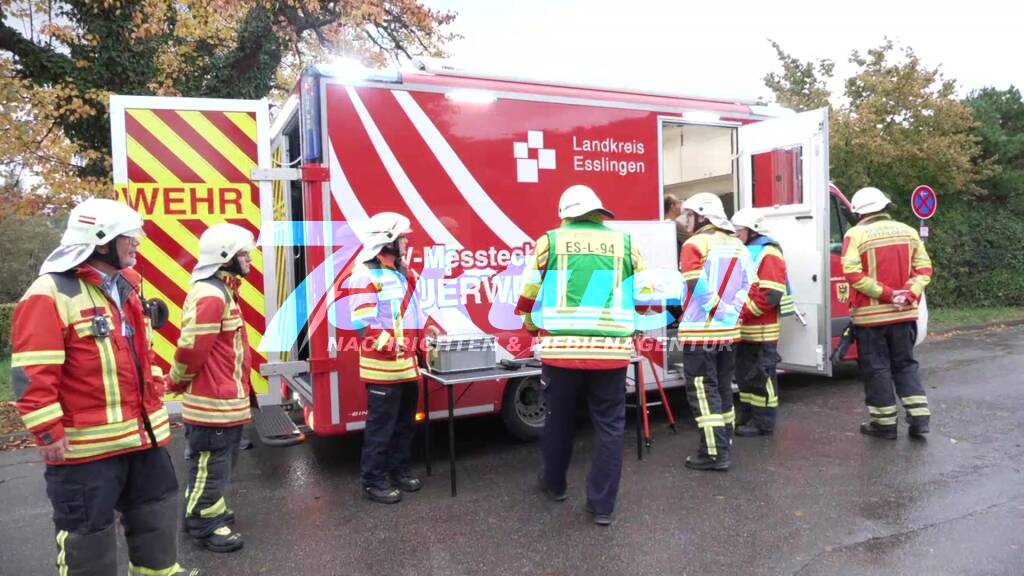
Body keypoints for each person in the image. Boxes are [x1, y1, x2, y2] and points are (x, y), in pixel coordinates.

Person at [11, 198, 199, 576]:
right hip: (87, 450)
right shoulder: (50, 293)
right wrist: (48, 432)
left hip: (143, 439)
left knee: (156, 517)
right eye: (130, 236)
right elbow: (33, 372)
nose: (138, 243)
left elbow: (138, 354)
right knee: (88, 539)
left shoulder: (128, 286)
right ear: (101, 242)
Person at [515, 184, 649, 526]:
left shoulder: (551, 241)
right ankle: (602, 507)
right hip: (611, 352)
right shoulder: (627, 243)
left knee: (559, 420)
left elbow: (529, 291)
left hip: (562, 352)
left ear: (565, 213)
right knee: (610, 426)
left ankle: (555, 485)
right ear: (598, 212)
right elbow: (646, 296)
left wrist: (531, 324)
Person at [169, 223, 256, 553]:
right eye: (242, 254)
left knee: (218, 464)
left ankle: (211, 508)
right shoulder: (210, 294)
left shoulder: (223, 290)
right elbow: (191, 348)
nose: (248, 259)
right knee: (209, 463)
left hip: (224, 402)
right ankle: (203, 523)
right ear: (225, 257)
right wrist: (177, 380)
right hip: (212, 405)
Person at [347, 212, 433, 504]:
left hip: (407, 366)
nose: (407, 242)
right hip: (383, 367)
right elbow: (362, 325)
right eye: (402, 238)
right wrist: (393, 345)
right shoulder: (364, 274)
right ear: (387, 241)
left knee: (404, 424)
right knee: (380, 429)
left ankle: (399, 469)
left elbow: (411, 310)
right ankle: (373, 481)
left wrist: (423, 335)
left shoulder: (400, 271)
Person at [841, 187, 933, 439]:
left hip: (871, 319)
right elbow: (924, 270)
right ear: (885, 207)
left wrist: (887, 293)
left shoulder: (855, 234)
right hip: (904, 315)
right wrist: (906, 294)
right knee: (905, 365)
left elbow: (852, 274)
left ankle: (884, 424)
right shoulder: (909, 232)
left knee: (877, 368)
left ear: (858, 212)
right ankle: (919, 419)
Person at [677, 193, 755, 471]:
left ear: (702, 216)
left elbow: (695, 283)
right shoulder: (739, 246)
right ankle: (723, 442)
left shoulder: (694, 244)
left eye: (689, 215)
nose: (686, 221)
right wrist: (730, 312)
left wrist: (717, 309)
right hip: (728, 332)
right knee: (722, 388)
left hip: (700, 333)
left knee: (702, 391)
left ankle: (713, 453)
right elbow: (749, 284)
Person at [732, 208, 791, 437]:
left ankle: (764, 423)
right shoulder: (748, 250)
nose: (736, 236)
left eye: (738, 232)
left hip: (762, 330)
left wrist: (742, 312)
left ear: (751, 230)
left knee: (762, 378)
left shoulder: (769, 252)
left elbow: (771, 294)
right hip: (746, 329)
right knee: (745, 377)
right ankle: (747, 416)